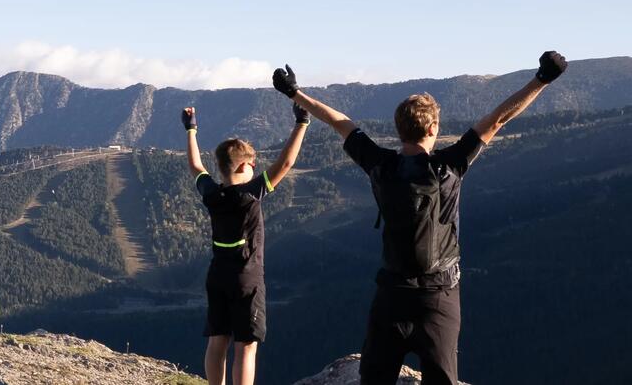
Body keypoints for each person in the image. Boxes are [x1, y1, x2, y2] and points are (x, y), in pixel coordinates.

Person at [273, 54, 568, 385]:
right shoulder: (449, 166)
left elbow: (340, 122)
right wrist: (542, 80)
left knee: (374, 379)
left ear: (400, 130)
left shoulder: (380, 165)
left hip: (391, 293)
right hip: (438, 294)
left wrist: (294, 93)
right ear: (433, 128)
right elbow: (498, 118)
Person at [182, 100, 309, 385]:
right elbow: (286, 163)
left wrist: (191, 130)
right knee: (246, 346)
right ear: (243, 165)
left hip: (217, 276)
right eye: (253, 164)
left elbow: (195, 166)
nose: (256, 168)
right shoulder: (251, 194)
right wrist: (302, 123)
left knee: (217, 341)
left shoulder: (211, 193)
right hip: (247, 279)